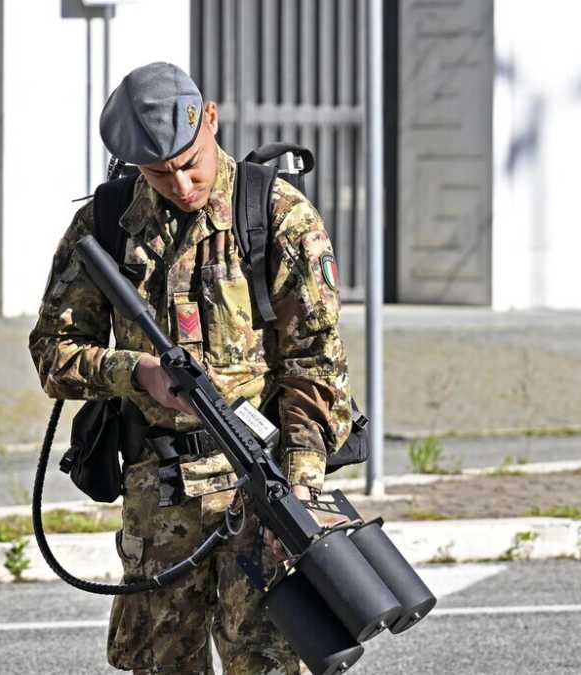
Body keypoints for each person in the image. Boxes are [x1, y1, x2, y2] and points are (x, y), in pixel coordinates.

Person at [29, 62, 353, 675]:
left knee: (268, 665)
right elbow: (52, 351)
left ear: (210, 118)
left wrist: (302, 491)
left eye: (189, 160)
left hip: (261, 486)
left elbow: (316, 365)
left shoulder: (278, 215)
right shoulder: (107, 225)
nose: (181, 183)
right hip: (158, 494)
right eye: (159, 172)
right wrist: (138, 372)